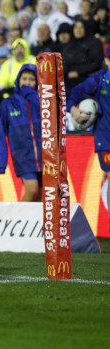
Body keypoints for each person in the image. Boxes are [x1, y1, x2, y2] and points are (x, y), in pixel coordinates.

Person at [67, 45, 110, 221]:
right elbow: (74, 94)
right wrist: (74, 110)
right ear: (107, 60)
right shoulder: (98, 80)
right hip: (106, 139)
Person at [0, 64, 42, 202]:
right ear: (18, 80)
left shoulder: (42, 102)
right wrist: (1, 164)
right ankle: (20, 220)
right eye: (24, 78)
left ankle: (37, 224)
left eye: (32, 79)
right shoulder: (8, 104)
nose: (27, 83)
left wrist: (34, 97)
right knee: (32, 190)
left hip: (44, 155)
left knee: (42, 197)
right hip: (23, 156)